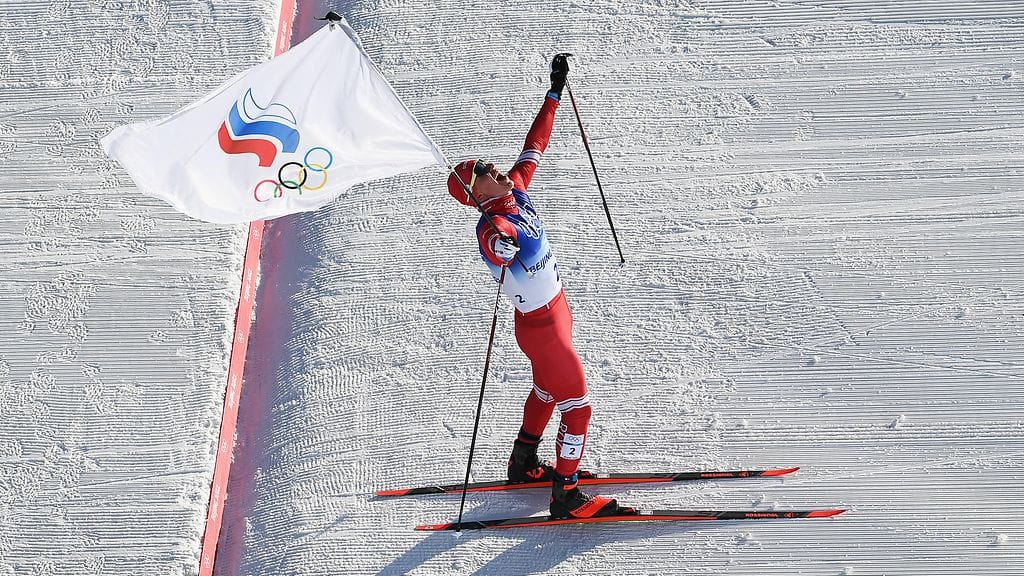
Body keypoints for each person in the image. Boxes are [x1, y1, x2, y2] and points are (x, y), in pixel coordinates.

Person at [446, 55, 625, 519]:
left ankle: (523, 462)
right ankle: (565, 496)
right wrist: (500, 245)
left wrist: (554, 93)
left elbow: (534, 144)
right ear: (476, 192)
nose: (495, 166)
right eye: (484, 168)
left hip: (554, 314)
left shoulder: (516, 190)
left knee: (547, 391)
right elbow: (494, 243)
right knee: (578, 409)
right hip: (540, 326)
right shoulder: (494, 221)